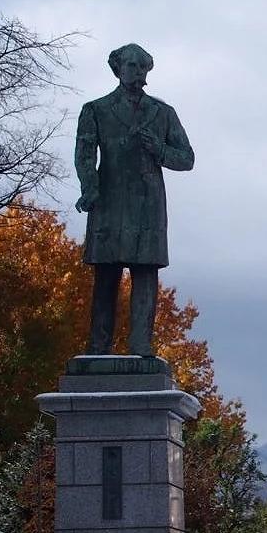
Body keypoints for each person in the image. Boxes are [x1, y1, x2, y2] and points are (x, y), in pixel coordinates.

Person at [75, 43, 196, 357]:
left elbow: (187, 158)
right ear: (118, 68)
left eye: (143, 67)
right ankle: (98, 346)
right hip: (109, 200)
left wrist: (159, 149)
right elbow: (85, 155)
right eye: (132, 65)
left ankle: (140, 344)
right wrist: (89, 188)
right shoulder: (96, 110)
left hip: (148, 204)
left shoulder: (162, 113)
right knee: (106, 275)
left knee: (145, 274)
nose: (139, 72)